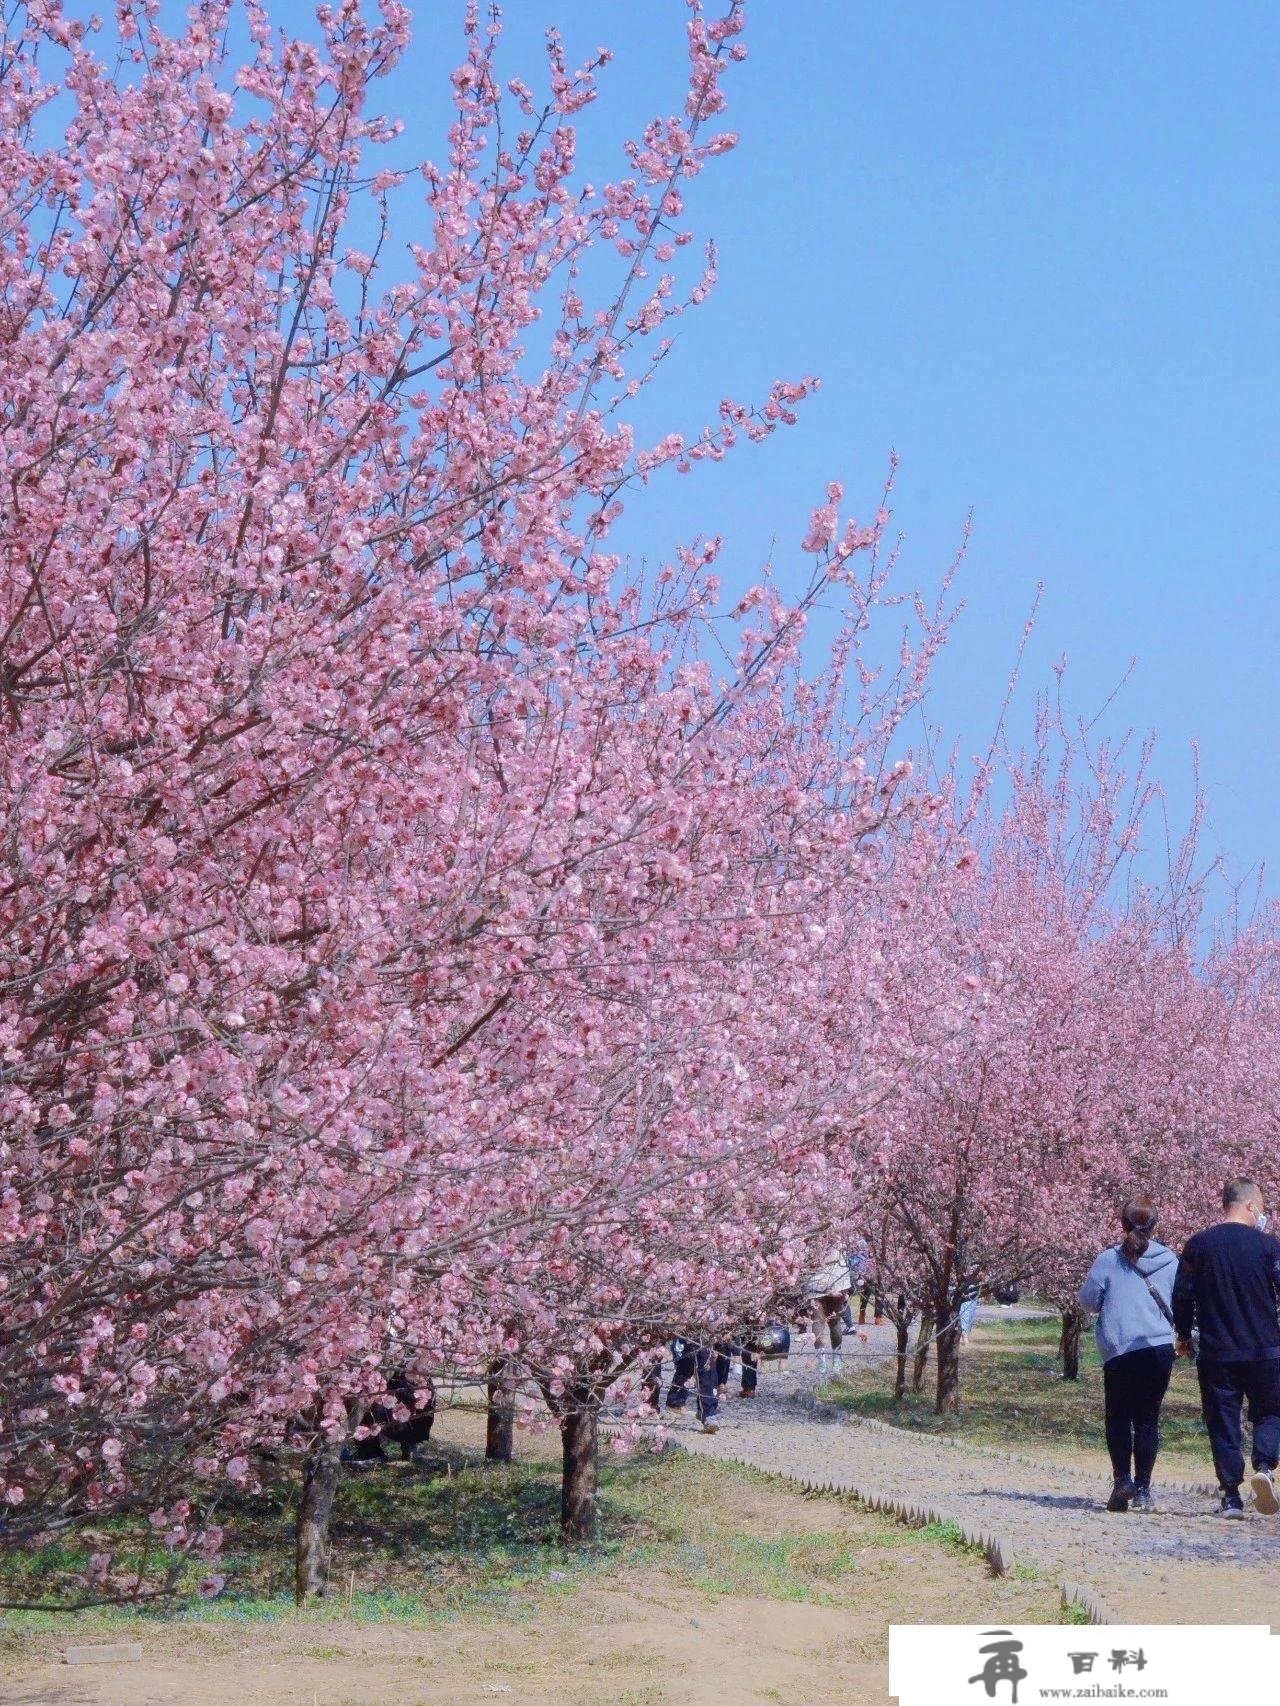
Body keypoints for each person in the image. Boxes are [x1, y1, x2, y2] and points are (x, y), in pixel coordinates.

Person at [1172, 1176, 1280, 1518]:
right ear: (1249, 1205)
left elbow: (1182, 1295)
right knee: (1270, 1412)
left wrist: (1183, 1334)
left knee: (1222, 1421)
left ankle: (1231, 1495)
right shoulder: (1269, 1248)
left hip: (1218, 1352)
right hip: (1265, 1349)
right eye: (1261, 1206)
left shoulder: (1199, 1246)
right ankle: (1264, 1465)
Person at [1078, 1195, 1178, 1513]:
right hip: (1158, 1347)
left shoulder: (1108, 1259)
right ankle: (1145, 1490)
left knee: (1118, 1417)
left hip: (1120, 1349)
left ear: (1123, 1224)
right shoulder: (1171, 1260)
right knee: (1148, 1420)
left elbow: (1088, 1301)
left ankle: (1122, 1481)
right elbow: (1181, 1302)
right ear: (1154, 1225)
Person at [806, 1249, 853, 1374]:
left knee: (817, 1323)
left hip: (815, 1284)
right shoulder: (838, 1239)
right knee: (835, 1323)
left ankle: (822, 1362)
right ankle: (836, 1360)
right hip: (837, 1281)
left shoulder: (812, 1235)